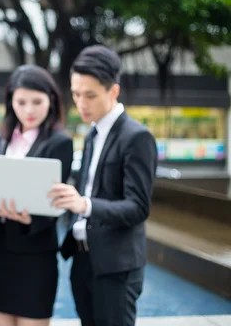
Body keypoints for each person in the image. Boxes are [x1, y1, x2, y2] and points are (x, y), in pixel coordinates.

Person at [50, 45, 157, 326]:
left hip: (116, 268)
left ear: (113, 91)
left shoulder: (137, 137)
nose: (81, 103)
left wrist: (83, 205)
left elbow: (138, 207)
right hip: (83, 260)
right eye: (75, 94)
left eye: (90, 95)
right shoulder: (92, 135)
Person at [0, 65, 73, 326]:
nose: (29, 110)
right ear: (11, 101)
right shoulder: (1, 139)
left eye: (37, 101)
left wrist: (29, 220)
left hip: (35, 256)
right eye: (21, 102)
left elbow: (56, 199)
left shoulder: (59, 142)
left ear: (51, 101)